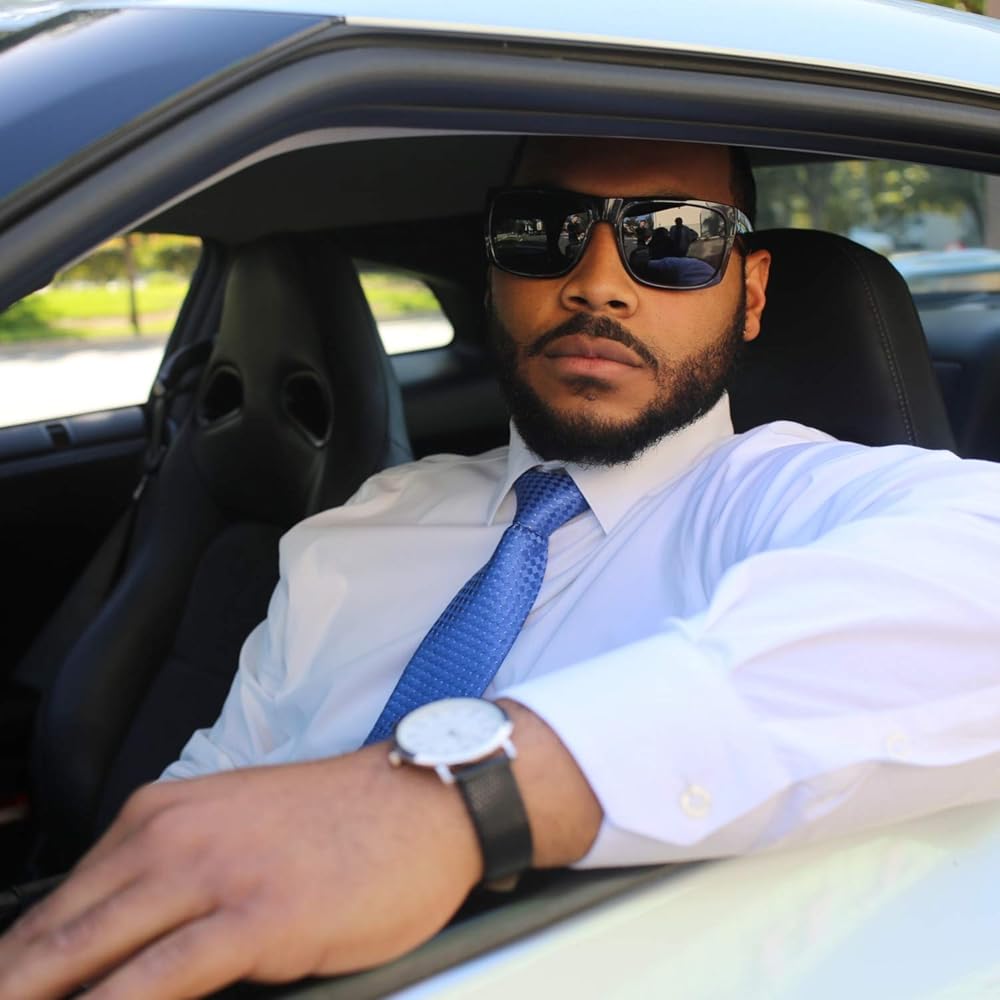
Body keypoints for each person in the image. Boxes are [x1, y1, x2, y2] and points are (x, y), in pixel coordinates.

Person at [2, 136, 1000, 999]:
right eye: (542, 230)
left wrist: (455, 801)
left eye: (674, 239)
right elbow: (220, 782)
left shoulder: (786, 512)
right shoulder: (363, 527)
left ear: (752, 295)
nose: (598, 282)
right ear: (493, 272)